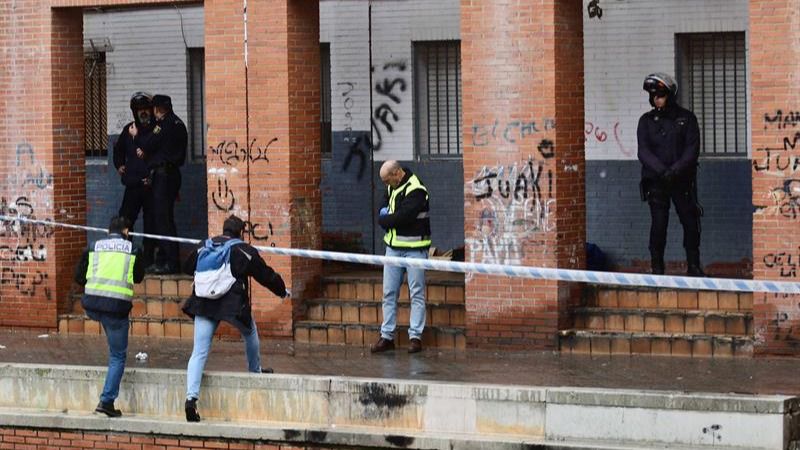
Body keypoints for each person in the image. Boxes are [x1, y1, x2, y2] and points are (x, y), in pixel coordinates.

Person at [181, 215, 290, 422]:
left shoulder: (204, 246)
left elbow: (188, 267)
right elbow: (265, 275)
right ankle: (254, 372)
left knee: (199, 351)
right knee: (250, 333)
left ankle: (191, 399)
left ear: (223, 230)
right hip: (231, 304)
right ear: (240, 232)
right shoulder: (242, 250)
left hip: (203, 303)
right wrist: (282, 291)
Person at [73, 216, 145, 417]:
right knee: (117, 356)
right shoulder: (133, 249)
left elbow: (79, 276)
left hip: (93, 305)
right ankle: (106, 401)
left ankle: (106, 400)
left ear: (108, 231)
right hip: (116, 308)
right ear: (127, 231)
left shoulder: (93, 246)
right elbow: (139, 277)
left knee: (113, 347)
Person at [637, 73, 705, 276]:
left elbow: (692, 150)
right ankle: (657, 268)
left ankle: (693, 266)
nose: (656, 99)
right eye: (653, 96)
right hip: (657, 182)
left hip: (682, 180)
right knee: (659, 225)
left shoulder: (687, 118)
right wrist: (661, 171)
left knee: (690, 222)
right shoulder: (646, 121)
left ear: (670, 95)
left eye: (660, 95)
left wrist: (675, 171)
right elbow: (643, 151)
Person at [371, 160, 431, 354]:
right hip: (393, 250)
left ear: (397, 173)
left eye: (388, 181)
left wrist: (388, 219)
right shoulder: (391, 188)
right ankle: (387, 336)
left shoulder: (416, 189)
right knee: (388, 293)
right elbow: (381, 213)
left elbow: (404, 217)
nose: (386, 186)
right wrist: (388, 219)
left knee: (417, 294)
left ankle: (415, 337)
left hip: (415, 249)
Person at [130, 94, 187, 274]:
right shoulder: (179, 124)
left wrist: (136, 137)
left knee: (163, 220)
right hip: (170, 174)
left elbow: (148, 143)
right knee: (165, 218)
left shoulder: (165, 125)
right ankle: (165, 259)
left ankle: (170, 263)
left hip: (164, 176)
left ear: (157, 109)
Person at [113, 91, 156, 266]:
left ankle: (148, 258)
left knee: (151, 222)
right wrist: (119, 164)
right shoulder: (128, 130)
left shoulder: (154, 130)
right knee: (125, 219)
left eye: (146, 109)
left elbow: (152, 150)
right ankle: (124, 252)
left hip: (150, 186)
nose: (143, 112)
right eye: (139, 110)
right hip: (132, 185)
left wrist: (136, 137)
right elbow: (118, 150)